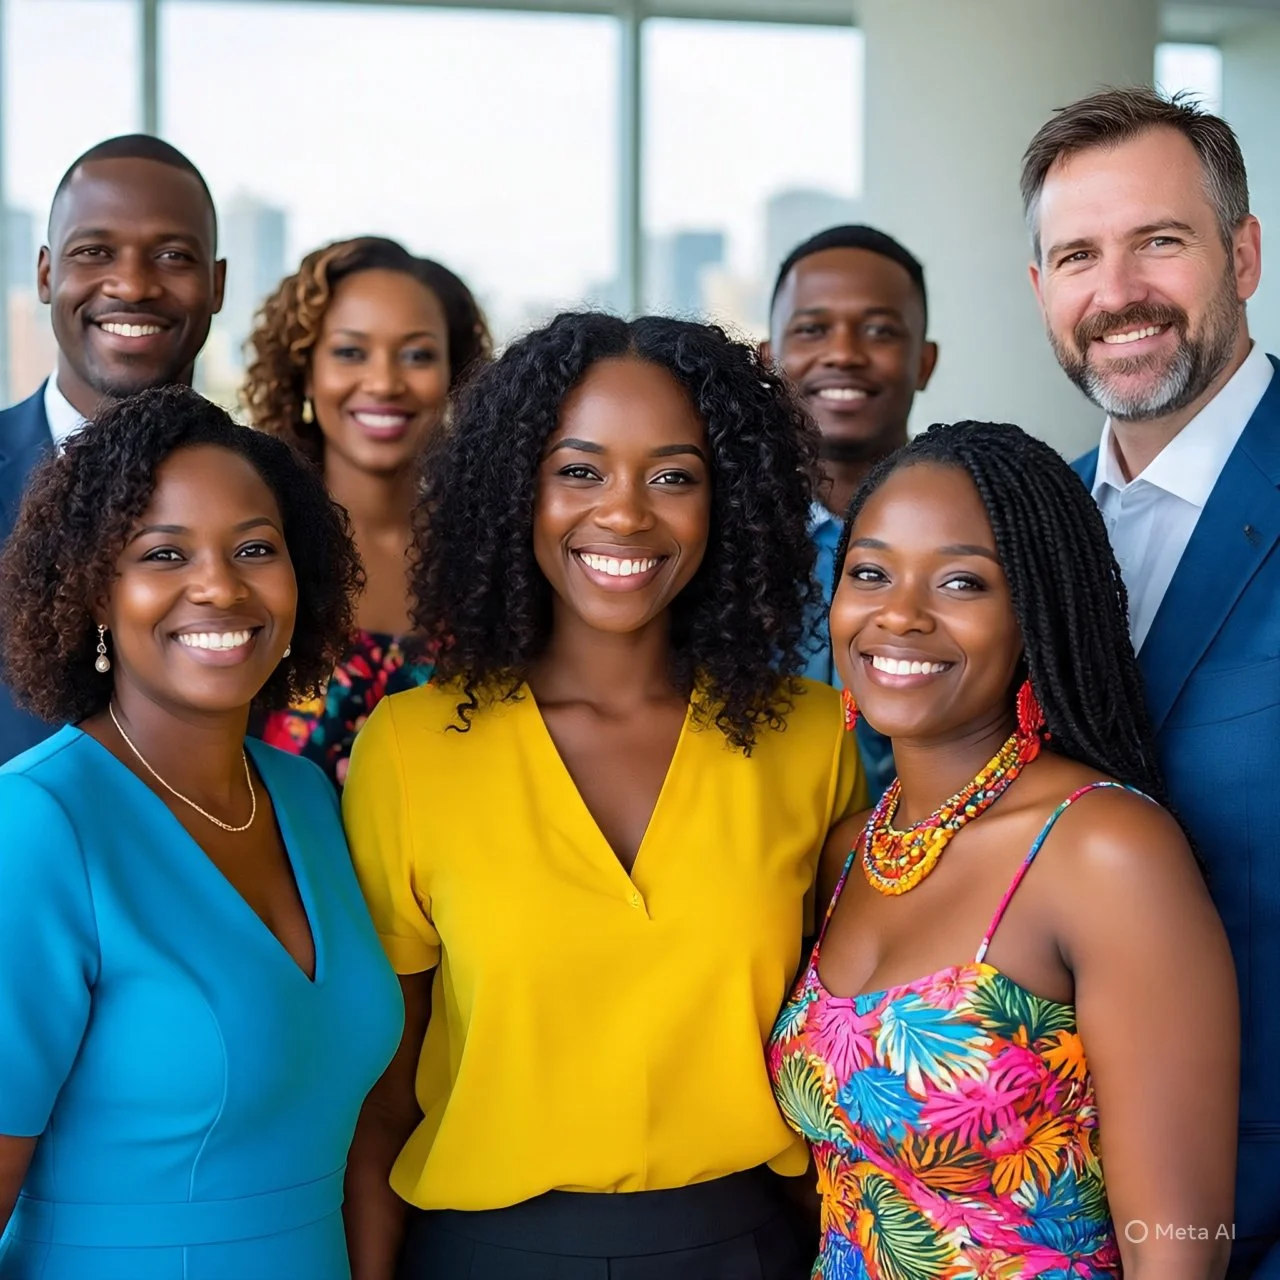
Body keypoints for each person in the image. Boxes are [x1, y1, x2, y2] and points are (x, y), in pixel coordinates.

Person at [341, 312, 868, 1279]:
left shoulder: (810, 738)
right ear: (514, 492)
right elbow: (383, 1096)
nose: (625, 514)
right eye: (579, 470)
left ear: (731, 504)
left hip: (744, 1245)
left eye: (674, 476)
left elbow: (831, 1060)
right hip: (484, 1253)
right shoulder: (412, 749)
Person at [770, 420, 1238, 1280]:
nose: (899, 614)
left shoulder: (1103, 850)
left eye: (961, 582)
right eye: (869, 572)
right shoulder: (850, 853)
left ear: (1037, 614)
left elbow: (1180, 1251)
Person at [0, 386, 402, 1279]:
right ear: (95, 592)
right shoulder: (36, 826)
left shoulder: (306, 798)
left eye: (255, 548)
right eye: (163, 553)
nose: (219, 584)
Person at [1022, 87, 1279, 1276]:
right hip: (1054, 1214)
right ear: (1040, 294)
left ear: (1241, 253)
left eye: (1157, 241)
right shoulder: (1023, 535)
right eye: (1077, 253)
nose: (1114, 290)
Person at [0, 134, 225, 764]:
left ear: (217, 284)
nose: (131, 284)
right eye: (95, 251)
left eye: (173, 256)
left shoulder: (274, 498)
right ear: (47, 273)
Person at [243, 237, 491, 787]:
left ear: (456, 375)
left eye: (418, 354)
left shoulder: (495, 557)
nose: (384, 382)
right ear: (305, 371)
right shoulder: (254, 548)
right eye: (351, 352)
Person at [763, 225, 939, 802]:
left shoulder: (982, 530)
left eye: (879, 331)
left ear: (924, 362)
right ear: (769, 358)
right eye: (813, 329)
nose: (843, 353)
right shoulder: (718, 534)